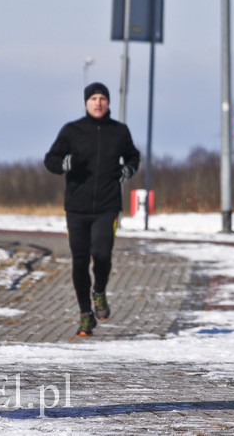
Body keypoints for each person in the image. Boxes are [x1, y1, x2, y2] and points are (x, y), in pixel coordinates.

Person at [44, 82, 140, 337]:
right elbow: (50, 160)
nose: (98, 102)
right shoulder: (72, 131)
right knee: (79, 260)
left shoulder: (119, 131)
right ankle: (85, 315)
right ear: (86, 103)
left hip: (108, 206)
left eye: (102, 98)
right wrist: (65, 163)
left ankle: (99, 290)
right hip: (76, 207)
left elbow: (133, 156)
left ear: (108, 102)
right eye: (93, 98)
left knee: (102, 253)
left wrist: (128, 169)